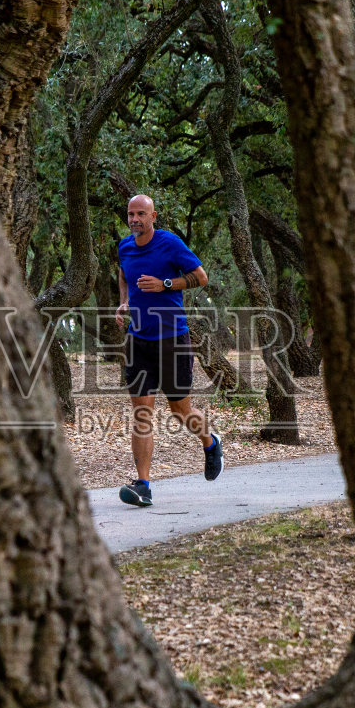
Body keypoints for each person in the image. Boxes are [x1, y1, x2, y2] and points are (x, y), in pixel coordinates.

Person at [113, 194, 222, 507]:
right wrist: (124, 301)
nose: (134, 219)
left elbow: (201, 277)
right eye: (131, 214)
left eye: (140, 214)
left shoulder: (170, 243)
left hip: (173, 339)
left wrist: (166, 284)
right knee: (141, 414)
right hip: (138, 340)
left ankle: (210, 442)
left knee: (181, 412)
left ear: (153, 216)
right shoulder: (124, 246)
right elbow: (123, 273)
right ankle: (143, 485)